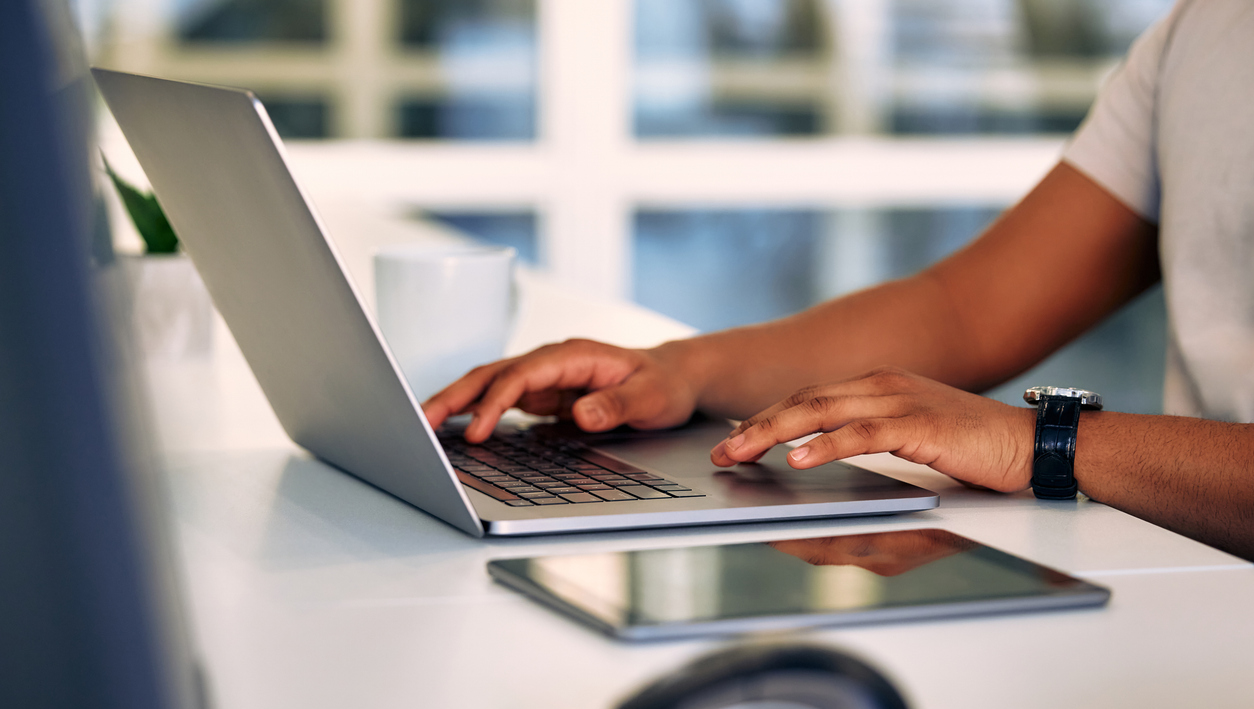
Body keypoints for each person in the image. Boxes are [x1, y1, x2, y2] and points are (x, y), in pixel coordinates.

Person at [424, 0, 1254, 560]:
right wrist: (684, 371)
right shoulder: (1206, 28)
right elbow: (965, 311)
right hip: (1195, 590)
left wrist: (1040, 442)